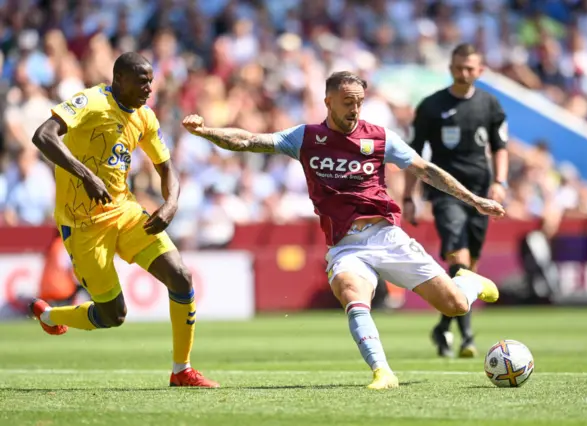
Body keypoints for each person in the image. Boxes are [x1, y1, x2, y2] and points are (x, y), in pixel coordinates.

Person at [182, 70, 505, 390]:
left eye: (359, 103)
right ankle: (383, 372)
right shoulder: (305, 138)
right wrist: (206, 131)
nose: (354, 110)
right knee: (351, 292)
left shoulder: (379, 137)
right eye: (348, 102)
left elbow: (426, 170)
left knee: (455, 305)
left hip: (386, 236)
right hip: (346, 245)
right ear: (328, 102)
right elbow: (250, 141)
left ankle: (469, 283)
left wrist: (473, 199)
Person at [29, 52, 218, 388]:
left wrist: (171, 203)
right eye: (142, 81)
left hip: (125, 211)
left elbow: (166, 169)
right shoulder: (91, 101)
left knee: (181, 277)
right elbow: (43, 136)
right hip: (84, 225)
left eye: (151, 80)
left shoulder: (145, 118)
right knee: (112, 315)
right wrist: (85, 174)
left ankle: (181, 369)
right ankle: (49, 315)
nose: (149, 87)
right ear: (119, 80)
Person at [402, 43, 509, 358]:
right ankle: (468, 338)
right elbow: (412, 155)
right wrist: (409, 196)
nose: (464, 73)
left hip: (481, 195)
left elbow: (500, 145)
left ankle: (442, 328)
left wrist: (500, 182)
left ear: (480, 71)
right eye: (458, 67)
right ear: (450, 68)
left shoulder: (490, 105)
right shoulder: (431, 106)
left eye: (470, 68)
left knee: (471, 269)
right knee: (459, 261)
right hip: (445, 193)